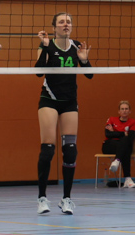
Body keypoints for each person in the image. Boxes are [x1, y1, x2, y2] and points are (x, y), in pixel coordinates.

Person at [35, 12, 92, 215]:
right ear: (54, 28)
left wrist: (84, 60)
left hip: (69, 102)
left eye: (68, 22)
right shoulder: (47, 45)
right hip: (49, 99)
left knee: (70, 150)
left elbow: (90, 75)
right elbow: (38, 72)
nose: (65, 24)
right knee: (48, 149)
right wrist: (44, 47)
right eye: (61, 22)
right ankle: (42, 198)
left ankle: (66, 199)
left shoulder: (77, 46)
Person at [103, 100, 135, 188]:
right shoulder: (111, 119)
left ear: (130, 111)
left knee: (126, 144)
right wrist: (123, 133)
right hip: (109, 146)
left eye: (126, 109)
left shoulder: (133, 122)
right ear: (119, 111)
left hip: (124, 146)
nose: (124, 111)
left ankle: (117, 161)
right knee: (125, 146)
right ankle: (128, 179)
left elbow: (130, 137)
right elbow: (108, 134)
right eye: (122, 109)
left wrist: (114, 132)